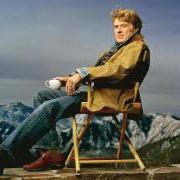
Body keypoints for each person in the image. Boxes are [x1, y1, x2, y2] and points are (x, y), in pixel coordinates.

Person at [0, 8, 150, 174]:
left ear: (135, 28)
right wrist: (70, 78)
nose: (119, 30)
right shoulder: (118, 48)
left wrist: (82, 74)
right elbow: (100, 73)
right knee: (42, 95)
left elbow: (118, 69)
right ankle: (49, 152)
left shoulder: (137, 47)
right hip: (97, 93)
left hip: (112, 98)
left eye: (124, 26)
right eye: (116, 26)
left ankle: (5, 152)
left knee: (50, 107)